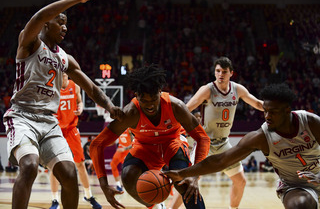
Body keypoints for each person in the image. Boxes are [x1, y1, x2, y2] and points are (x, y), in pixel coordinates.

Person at [2, 0, 123, 208]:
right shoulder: (29, 42)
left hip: (49, 122)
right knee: (29, 166)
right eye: (61, 22)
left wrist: (111, 107)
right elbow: (39, 16)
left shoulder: (65, 59)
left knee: (69, 173)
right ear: (47, 24)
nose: (65, 28)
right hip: (22, 116)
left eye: (66, 24)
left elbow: (92, 88)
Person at [165, 83, 320, 209]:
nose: (267, 117)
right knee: (299, 205)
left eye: (272, 112)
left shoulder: (310, 122)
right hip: (296, 186)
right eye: (265, 111)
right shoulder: (260, 137)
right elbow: (220, 161)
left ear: (287, 110)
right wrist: (183, 173)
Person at [89, 65, 210, 209]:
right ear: (136, 95)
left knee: (184, 183)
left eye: (153, 99)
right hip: (144, 147)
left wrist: (195, 176)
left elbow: (203, 138)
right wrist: (104, 185)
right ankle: (156, 205)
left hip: (172, 143)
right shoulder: (130, 113)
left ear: (160, 91)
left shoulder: (176, 106)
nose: (149, 105)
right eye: (144, 100)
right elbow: (97, 144)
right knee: (128, 176)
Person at [186, 56, 264, 209]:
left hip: (223, 143)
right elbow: (186, 108)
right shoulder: (207, 90)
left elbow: (256, 103)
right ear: (214, 72)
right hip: (205, 142)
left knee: (240, 180)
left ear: (231, 73)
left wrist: (274, 108)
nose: (220, 74)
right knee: (189, 181)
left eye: (224, 72)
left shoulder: (237, 89)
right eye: (218, 71)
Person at [49, 73, 101, 209]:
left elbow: (79, 101)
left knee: (80, 164)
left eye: (65, 74)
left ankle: (88, 195)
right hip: (57, 130)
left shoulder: (75, 86)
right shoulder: (51, 88)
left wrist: (80, 108)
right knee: (53, 166)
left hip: (72, 129)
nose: (63, 76)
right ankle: (55, 200)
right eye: (61, 74)